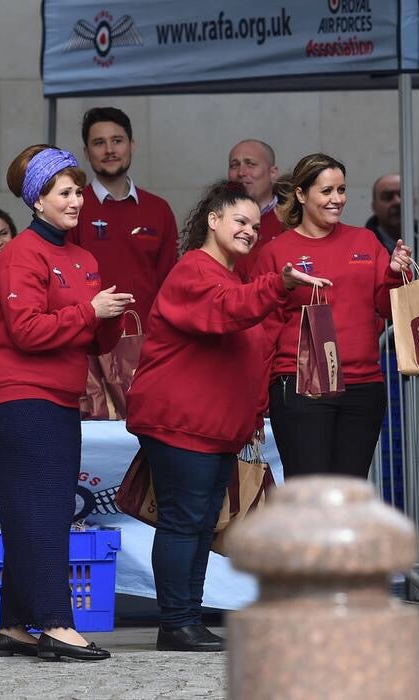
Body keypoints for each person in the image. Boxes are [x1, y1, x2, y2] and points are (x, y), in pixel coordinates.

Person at [125, 180, 328, 652]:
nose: (250, 232)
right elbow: (227, 311)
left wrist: (252, 416)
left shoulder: (229, 277)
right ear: (212, 220)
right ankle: (177, 622)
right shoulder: (192, 272)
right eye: (240, 221)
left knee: (197, 522)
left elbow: (245, 347)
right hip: (182, 423)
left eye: (256, 226)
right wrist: (279, 284)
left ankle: (185, 619)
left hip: (214, 428)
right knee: (184, 520)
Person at [0, 144, 134, 661]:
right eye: (65, 193)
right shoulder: (18, 255)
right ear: (37, 201)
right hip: (21, 397)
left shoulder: (84, 258)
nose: (76, 201)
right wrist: (89, 311)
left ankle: (13, 627)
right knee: (44, 513)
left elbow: (95, 343)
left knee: (31, 512)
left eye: (78, 191)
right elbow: (25, 331)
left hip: (58, 398)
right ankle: (55, 622)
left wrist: (106, 316)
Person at [254, 153, 411, 479]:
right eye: (326, 191)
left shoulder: (365, 240)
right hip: (300, 387)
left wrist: (395, 273)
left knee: (348, 494)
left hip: (362, 385)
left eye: (341, 190)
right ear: (301, 194)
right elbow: (264, 330)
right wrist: (257, 402)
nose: (336, 199)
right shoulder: (276, 251)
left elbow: (384, 306)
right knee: (309, 494)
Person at [69, 107, 178, 326]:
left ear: (132, 145)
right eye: (99, 143)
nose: (110, 150)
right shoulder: (73, 207)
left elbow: (170, 283)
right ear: (86, 153)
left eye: (117, 141)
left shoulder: (159, 209)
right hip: (89, 339)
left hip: (149, 340)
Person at [228, 139, 284, 279]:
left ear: (273, 173)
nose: (241, 172)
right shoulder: (218, 222)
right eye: (234, 165)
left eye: (250, 164)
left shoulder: (293, 220)